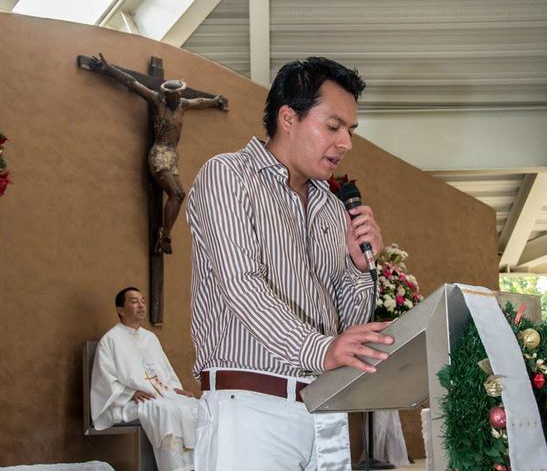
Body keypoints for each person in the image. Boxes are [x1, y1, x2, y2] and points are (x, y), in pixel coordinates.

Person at [186, 57, 394, 470]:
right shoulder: (228, 175)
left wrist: (357, 267)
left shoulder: (333, 209)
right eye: (333, 126)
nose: (346, 143)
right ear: (288, 118)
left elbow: (345, 328)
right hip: (249, 412)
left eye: (350, 131)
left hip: (322, 411)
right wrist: (321, 349)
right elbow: (240, 285)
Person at [88, 53, 228, 254]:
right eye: (176, 94)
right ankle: (165, 236)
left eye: (180, 93)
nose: (179, 96)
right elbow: (132, 82)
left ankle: (164, 234)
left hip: (173, 156)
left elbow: (199, 101)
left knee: (180, 195)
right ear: (168, 95)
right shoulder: (158, 101)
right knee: (176, 193)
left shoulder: (183, 106)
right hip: (160, 153)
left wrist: (215, 101)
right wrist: (108, 69)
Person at [91, 287, 198, 471]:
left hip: (159, 396)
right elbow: (104, 379)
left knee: (194, 407)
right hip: (126, 402)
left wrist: (173, 389)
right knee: (165, 410)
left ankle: (196, 465)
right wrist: (129, 393)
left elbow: (165, 371)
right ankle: (174, 467)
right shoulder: (111, 340)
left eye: (142, 301)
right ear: (120, 310)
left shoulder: (150, 338)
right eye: (134, 301)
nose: (141, 305)